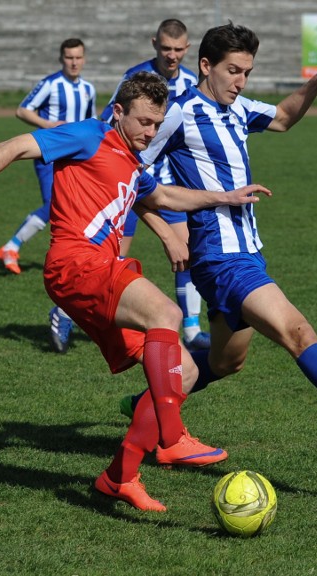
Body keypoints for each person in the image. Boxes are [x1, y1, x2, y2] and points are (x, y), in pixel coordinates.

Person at [0, 71, 272, 511]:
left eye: (157, 124)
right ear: (118, 112)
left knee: (184, 373)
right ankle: (170, 439)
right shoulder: (89, 136)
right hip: (75, 264)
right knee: (167, 315)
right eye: (144, 122)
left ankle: (119, 476)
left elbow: (165, 198)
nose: (151, 132)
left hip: (96, 273)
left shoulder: (132, 163)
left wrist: (225, 198)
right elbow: (16, 145)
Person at [124, 23, 317, 450]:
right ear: (205, 66)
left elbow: (282, 118)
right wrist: (169, 233)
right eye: (232, 70)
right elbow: (130, 176)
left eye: (246, 71)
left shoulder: (238, 109)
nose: (240, 80)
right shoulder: (179, 112)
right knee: (297, 332)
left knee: (227, 361)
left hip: (247, 254)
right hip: (221, 259)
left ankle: (144, 405)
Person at [100, 19, 210, 353]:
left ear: (187, 49)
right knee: (111, 263)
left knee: (186, 252)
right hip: (130, 184)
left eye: (178, 49)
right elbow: (109, 121)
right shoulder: (136, 78)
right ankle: (65, 314)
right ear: (154, 44)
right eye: (165, 48)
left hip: (168, 186)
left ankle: (191, 327)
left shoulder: (193, 82)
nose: (172, 55)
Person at [0, 38, 97, 353]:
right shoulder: (50, 84)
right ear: (61, 58)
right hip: (50, 156)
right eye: (69, 57)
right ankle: (11, 248)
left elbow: (91, 122)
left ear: (84, 58)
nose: (74, 62)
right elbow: (21, 110)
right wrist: (48, 125)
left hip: (77, 159)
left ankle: (17, 249)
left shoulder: (88, 89)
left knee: (71, 214)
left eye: (78, 57)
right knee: (55, 208)